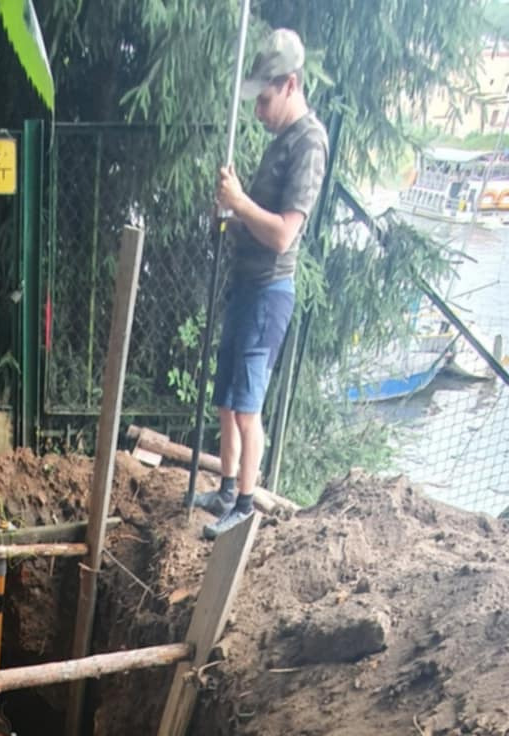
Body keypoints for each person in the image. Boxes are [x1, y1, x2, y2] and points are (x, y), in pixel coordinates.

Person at [190, 28, 328, 537]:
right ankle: (226, 488)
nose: (258, 111)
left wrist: (241, 203)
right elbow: (254, 219)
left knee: (247, 406)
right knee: (227, 397)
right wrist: (231, 215)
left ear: (290, 85)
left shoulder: (308, 143)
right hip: (245, 287)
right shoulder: (280, 142)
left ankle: (244, 506)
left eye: (266, 100)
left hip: (269, 292)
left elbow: (284, 235)